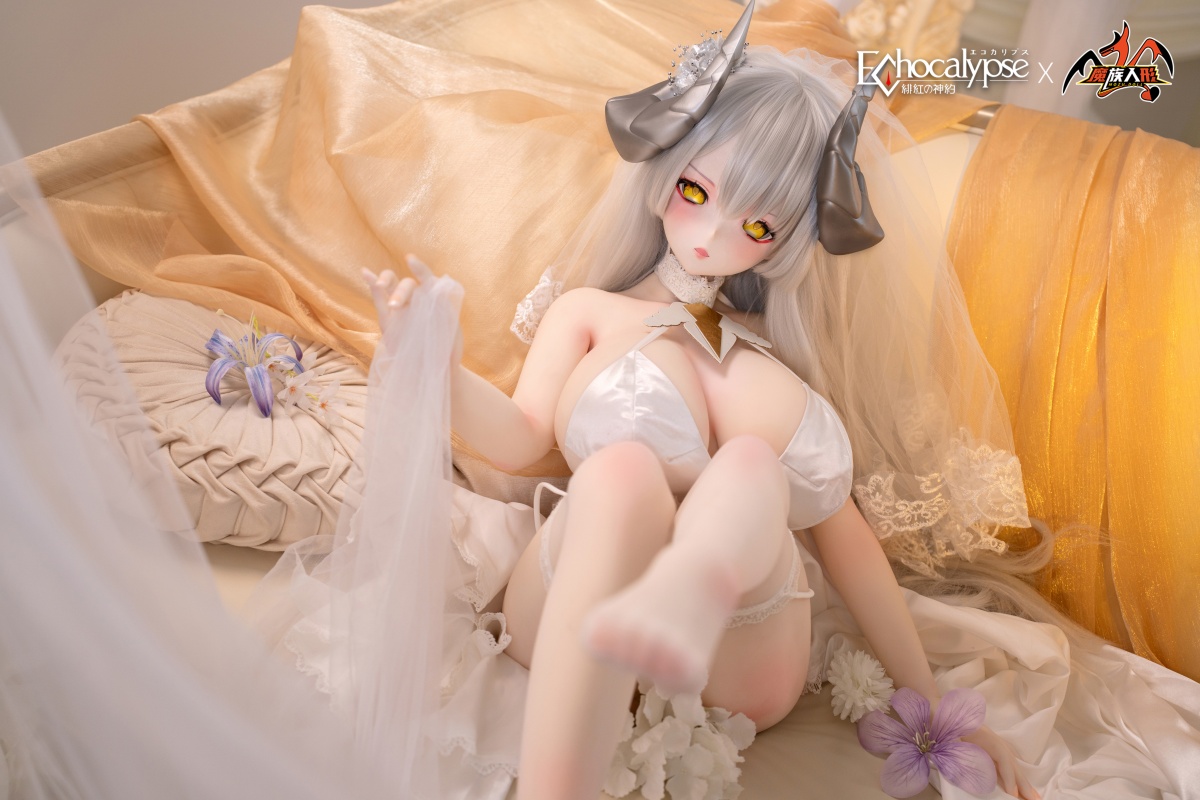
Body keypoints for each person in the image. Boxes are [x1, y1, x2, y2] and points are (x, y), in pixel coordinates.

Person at [363, 11, 1038, 797]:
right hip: (581, 599)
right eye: (696, 191)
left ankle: (686, 588)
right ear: (662, 174)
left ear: (786, 241)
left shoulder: (779, 355)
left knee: (752, 465)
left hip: (737, 649)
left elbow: (846, 541)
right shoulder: (590, 312)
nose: (715, 234)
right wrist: (433, 362)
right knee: (620, 476)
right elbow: (517, 439)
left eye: (756, 223)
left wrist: (934, 703)